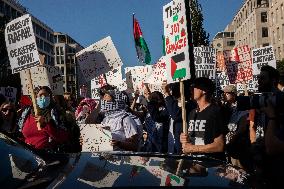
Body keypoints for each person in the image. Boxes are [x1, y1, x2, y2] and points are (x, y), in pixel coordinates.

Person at [180, 77, 225, 160]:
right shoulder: (192, 113)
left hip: (211, 165)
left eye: (194, 87)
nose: (191, 89)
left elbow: (219, 145)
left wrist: (193, 148)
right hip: (194, 163)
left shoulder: (215, 111)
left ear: (204, 91)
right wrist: (184, 139)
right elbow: (189, 142)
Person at [19, 86, 69, 151]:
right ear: (35, 98)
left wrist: (46, 125)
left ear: (50, 97)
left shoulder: (57, 113)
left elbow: (63, 137)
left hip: (49, 155)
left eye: (46, 95)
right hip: (29, 155)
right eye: (40, 95)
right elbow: (21, 135)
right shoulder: (27, 113)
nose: (43, 98)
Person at [162, 80, 196, 154]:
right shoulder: (173, 104)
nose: (171, 91)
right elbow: (159, 117)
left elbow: (175, 115)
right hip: (173, 143)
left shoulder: (190, 105)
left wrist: (167, 95)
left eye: (172, 89)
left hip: (185, 144)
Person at [222, 85, 251, 170]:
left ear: (234, 94)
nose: (224, 95)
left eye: (227, 93)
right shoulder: (224, 108)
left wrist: (234, 138)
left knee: (238, 169)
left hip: (236, 145)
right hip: (225, 144)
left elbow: (242, 128)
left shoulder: (242, 107)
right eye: (224, 93)